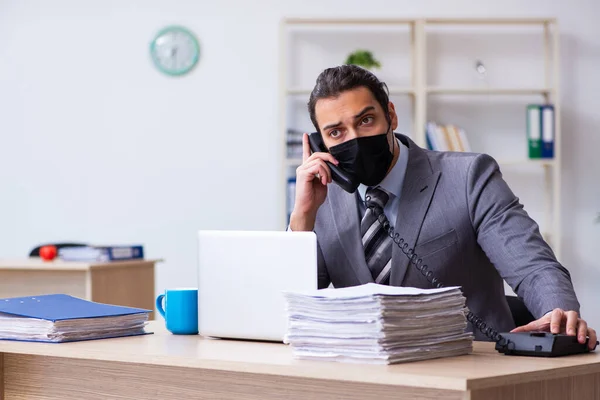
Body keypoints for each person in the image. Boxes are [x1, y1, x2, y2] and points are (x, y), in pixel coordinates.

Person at [289, 64, 596, 347]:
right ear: (321, 144)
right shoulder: (322, 199)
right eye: (335, 132)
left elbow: (532, 264)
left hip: (469, 367)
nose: (354, 138)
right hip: (363, 369)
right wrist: (302, 216)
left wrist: (559, 313)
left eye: (366, 120)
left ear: (391, 116)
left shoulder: (468, 177)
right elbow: (291, 304)